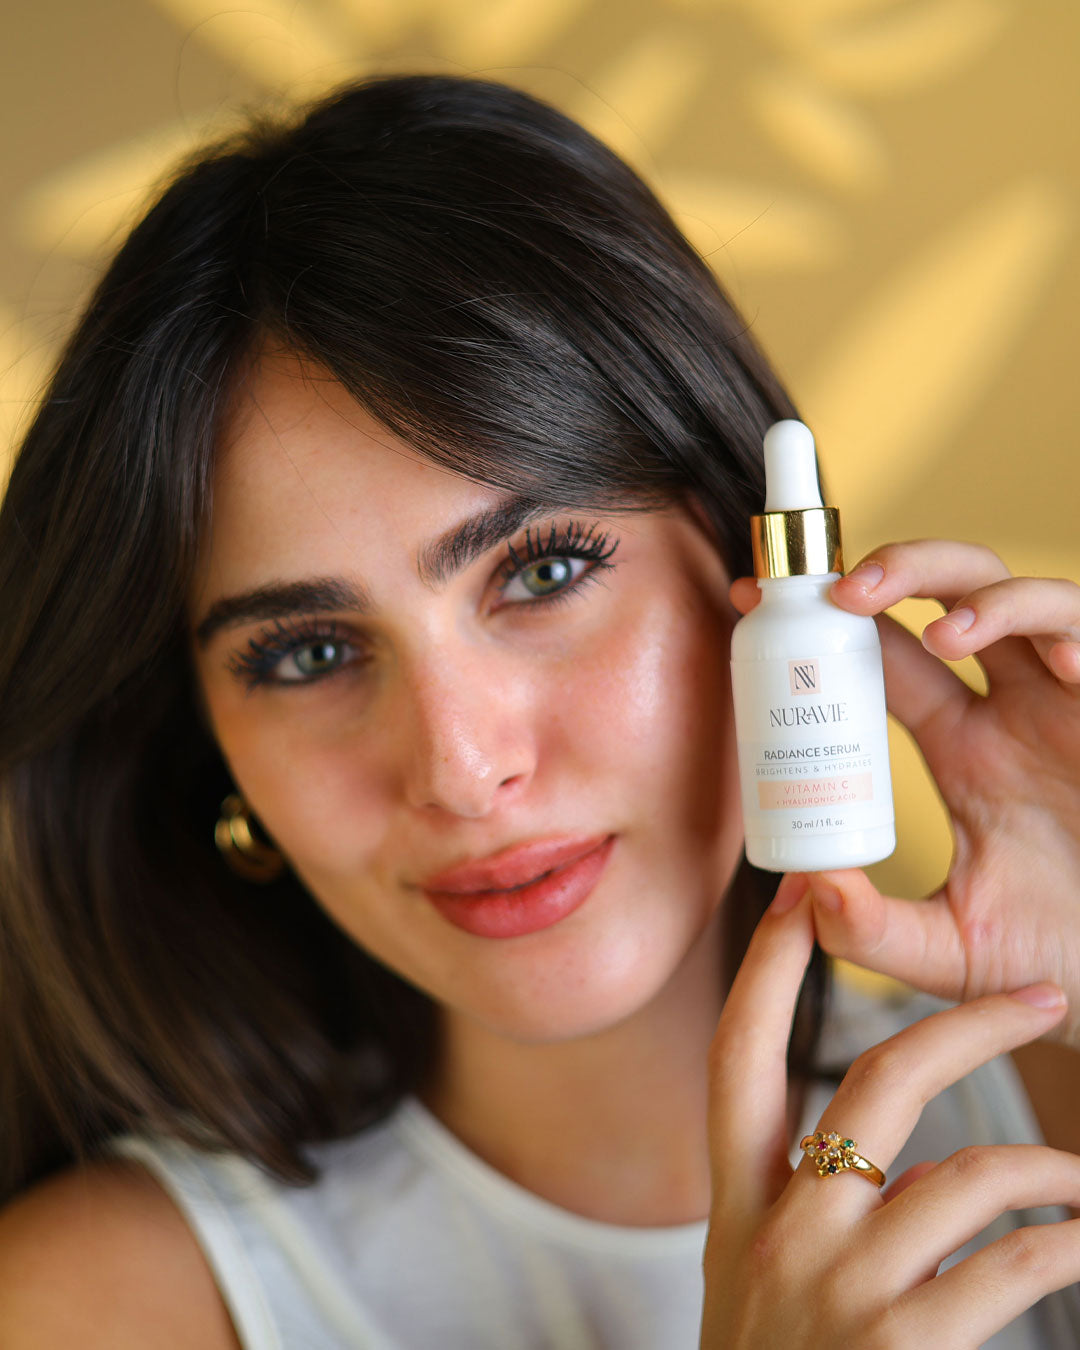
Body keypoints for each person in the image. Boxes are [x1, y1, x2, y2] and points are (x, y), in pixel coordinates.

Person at [0, 71, 1077, 1349]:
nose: (462, 767)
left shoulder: (1054, 1116)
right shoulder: (99, 1304)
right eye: (308, 652)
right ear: (210, 746)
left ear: (747, 561)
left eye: (545, 573)